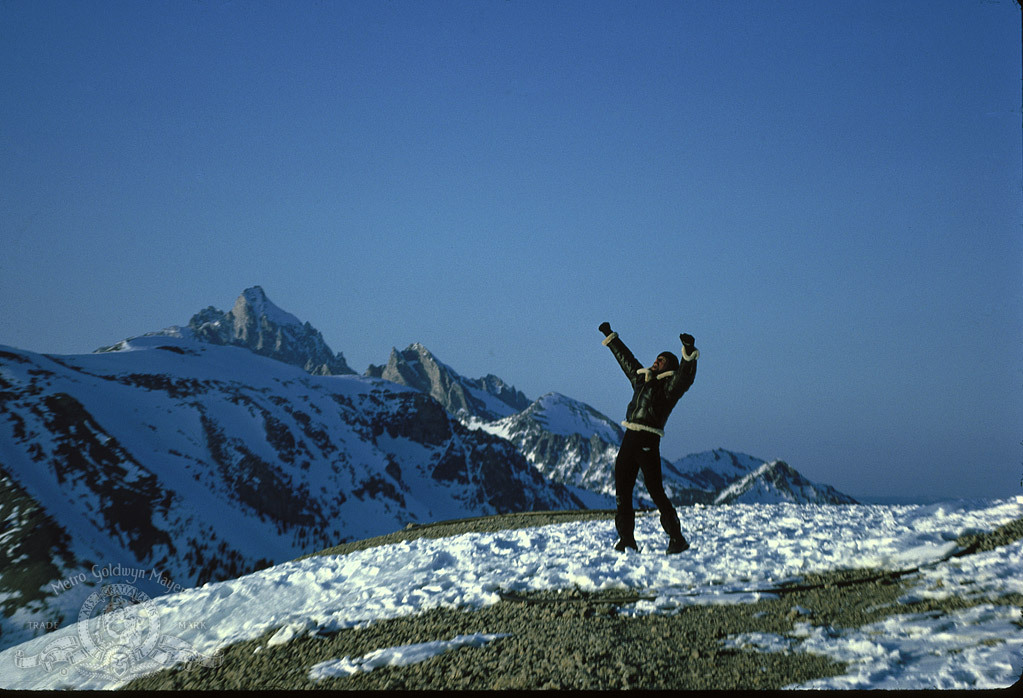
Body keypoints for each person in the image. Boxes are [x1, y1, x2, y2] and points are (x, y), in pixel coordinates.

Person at [598, 321, 699, 554]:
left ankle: (677, 539)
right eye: (656, 359)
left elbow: (685, 377)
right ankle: (627, 541)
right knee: (622, 491)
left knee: (656, 492)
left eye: (661, 361)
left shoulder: (669, 388)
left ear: (668, 368)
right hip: (629, 439)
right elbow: (627, 360)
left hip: (647, 442)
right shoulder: (641, 380)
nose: (655, 362)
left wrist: (688, 354)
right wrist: (610, 337)